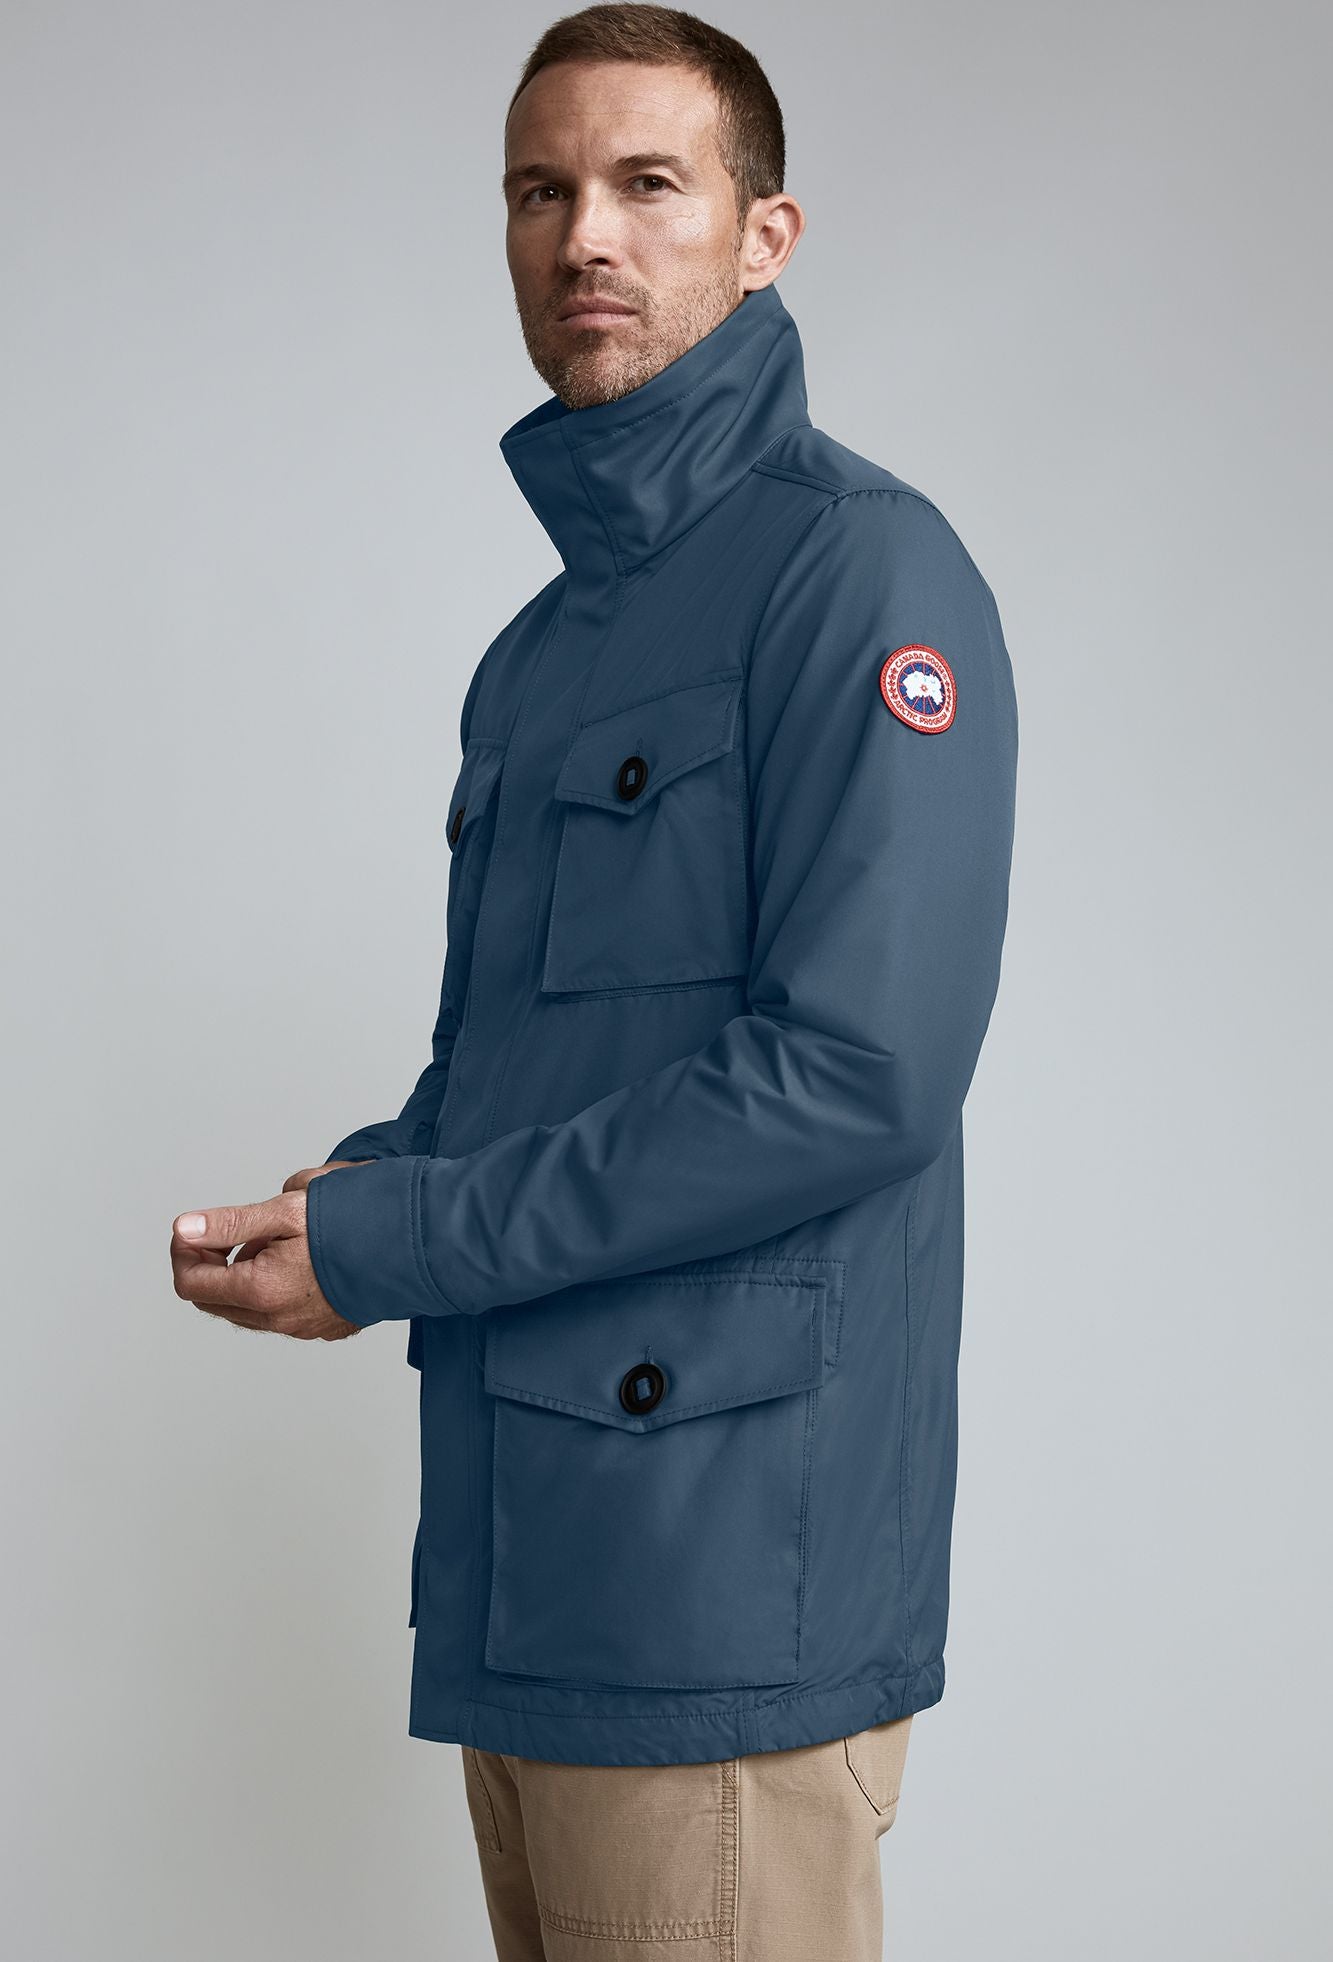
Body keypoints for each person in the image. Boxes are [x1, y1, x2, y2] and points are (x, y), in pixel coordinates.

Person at [170, 6, 1020, 1955]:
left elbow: (854, 1075)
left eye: (647, 183)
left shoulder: (861, 575)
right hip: (530, 1573)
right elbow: (551, 1067)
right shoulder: (543, 651)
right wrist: (363, 1191)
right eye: (539, 192)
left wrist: (404, 1242)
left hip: (714, 1591)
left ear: (765, 233)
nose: (586, 239)